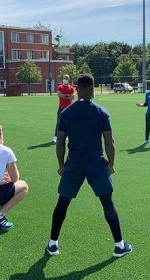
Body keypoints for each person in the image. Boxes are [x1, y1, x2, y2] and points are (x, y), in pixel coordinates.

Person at [46, 73, 132, 257]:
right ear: (92, 89)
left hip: (74, 162)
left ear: (76, 89)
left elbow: (60, 143)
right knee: (107, 203)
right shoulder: (101, 112)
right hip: (96, 162)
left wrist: (61, 165)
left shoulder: (66, 112)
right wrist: (111, 163)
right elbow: (109, 142)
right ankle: (119, 245)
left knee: (63, 202)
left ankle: (53, 243)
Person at [52, 74, 75, 143]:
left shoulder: (71, 88)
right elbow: (59, 94)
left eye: (66, 78)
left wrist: (64, 96)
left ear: (69, 79)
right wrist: (67, 96)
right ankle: (56, 136)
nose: (65, 79)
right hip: (61, 107)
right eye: (64, 78)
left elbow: (73, 97)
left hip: (69, 107)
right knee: (59, 122)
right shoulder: (60, 87)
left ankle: (67, 135)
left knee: (69, 122)